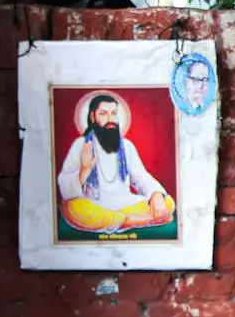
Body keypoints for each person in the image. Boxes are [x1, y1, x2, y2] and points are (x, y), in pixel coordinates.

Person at [57, 92, 176, 232]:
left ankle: (123, 220)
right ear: (92, 117)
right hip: (94, 204)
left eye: (114, 113)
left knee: (167, 202)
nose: (110, 119)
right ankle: (143, 221)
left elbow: (141, 177)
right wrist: (84, 170)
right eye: (103, 113)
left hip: (124, 203)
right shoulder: (81, 145)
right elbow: (65, 188)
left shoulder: (126, 146)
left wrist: (156, 195)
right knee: (73, 209)